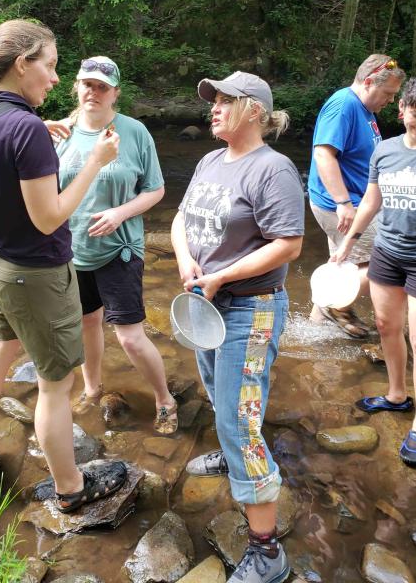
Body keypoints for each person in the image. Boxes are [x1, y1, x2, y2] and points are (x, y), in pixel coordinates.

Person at [0, 20, 127, 512]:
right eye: (48, 66)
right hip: (34, 273)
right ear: (22, 63)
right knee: (55, 385)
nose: (54, 78)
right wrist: (95, 159)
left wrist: (37, 134)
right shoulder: (24, 127)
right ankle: (71, 489)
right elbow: (49, 218)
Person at [171, 71, 304, 583]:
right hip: (206, 300)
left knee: (238, 420)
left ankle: (268, 552)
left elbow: (288, 244)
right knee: (219, 395)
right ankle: (234, 460)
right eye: (214, 100)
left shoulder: (274, 170)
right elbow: (183, 217)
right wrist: (187, 263)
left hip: (252, 307)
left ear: (254, 111)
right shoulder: (209, 160)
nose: (214, 108)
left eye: (225, 101)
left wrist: (222, 274)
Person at [56, 56, 177, 434]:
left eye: (102, 87)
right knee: (86, 323)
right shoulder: (60, 132)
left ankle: (164, 399)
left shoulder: (134, 132)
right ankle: (92, 388)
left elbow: (155, 189)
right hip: (72, 250)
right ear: (75, 87)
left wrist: (120, 213)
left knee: (129, 335)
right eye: (86, 84)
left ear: (115, 93)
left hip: (120, 248)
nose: (93, 92)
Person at [333, 75, 416, 468]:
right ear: (402, 110)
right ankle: (396, 395)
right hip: (387, 253)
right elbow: (372, 198)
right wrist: (348, 242)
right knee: (386, 326)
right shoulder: (385, 151)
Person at [308, 55, 405, 338]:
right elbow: (323, 154)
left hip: (355, 202)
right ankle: (333, 304)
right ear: (367, 82)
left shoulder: (364, 109)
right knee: (394, 259)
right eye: (388, 93)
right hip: (340, 204)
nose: (390, 101)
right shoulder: (344, 105)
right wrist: (343, 203)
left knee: (342, 264)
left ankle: (315, 333)